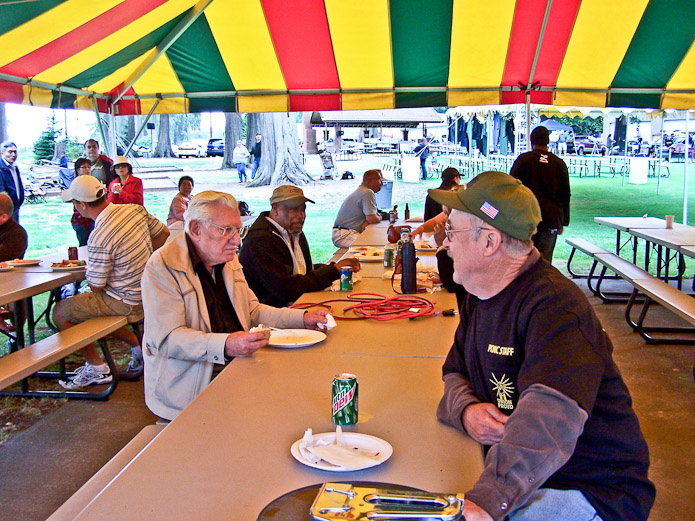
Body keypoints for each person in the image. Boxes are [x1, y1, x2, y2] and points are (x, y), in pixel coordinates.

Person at [429, 171, 654, 521]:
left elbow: (548, 420)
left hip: (586, 488)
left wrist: (488, 499)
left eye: (452, 230)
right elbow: (455, 373)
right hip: (524, 475)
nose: (444, 243)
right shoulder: (481, 293)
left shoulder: (556, 307)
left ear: (489, 242)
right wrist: (466, 410)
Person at [141, 191, 328, 421]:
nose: (237, 241)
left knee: (304, 394)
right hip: (190, 391)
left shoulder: (226, 259)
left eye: (238, 230)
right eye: (226, 230)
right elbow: (169, 340)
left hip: (237, 368)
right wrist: (227, 345)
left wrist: (302, 318)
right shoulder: (162, 267)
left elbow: (253, 311)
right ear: (196, 229)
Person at [54, 176, 169, 388]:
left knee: (61, 311)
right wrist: (145, 262)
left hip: (126, 301)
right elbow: (164, 233)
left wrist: (92, 270)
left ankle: (96, 368)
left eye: (74, 203)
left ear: (82, 204)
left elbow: (97, 286)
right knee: (92, 308)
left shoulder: (99, 235)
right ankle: (137, 348)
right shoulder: (134, 210)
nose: (74, 207)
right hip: (148, 292)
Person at [239, 185, 361, 307]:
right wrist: (333, 271)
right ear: (275, 209)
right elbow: (286, 289)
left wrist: (336, 268)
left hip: (297, 304)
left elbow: (303, 272)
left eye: (303, 209)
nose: (301, 215)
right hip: (273, 312)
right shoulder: (260, 240)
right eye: (294, 210)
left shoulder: (294, 231)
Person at [509, 126, 570, 262]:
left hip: (527, 217)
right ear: (547, 141)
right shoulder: (558, 163)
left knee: (523, 259)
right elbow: (565, 194)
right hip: (551, 218)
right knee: (544, 261)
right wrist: (564, 221)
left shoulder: (523, 160)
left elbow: (512, 188)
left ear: (532, 141)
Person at [332, 169, 383, 247]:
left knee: (376, 242)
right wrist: (379, 217)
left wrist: (368, 220)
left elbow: (370, 217)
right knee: (370, 248)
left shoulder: (363, 191)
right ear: (370, 181)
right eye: (379, 179)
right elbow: (372, 219)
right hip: (344, 234)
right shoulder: (367, 192)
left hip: (347, 232)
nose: (381, 183)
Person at [0, 193, 27, 335]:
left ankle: (17, 335)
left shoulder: (17, 234)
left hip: (10, 282)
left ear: (4, 217)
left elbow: (5, 259)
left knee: (17, 298)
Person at [70, 158, 95, 246]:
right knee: (84, 246)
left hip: (90, 219)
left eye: (89, 167)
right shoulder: (76, 183)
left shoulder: (92, 181)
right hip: (81, 220)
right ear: (78, 170)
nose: (87, 169)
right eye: (84, 167)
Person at [0, 141, 24, 222]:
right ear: (2, 153)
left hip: (15, 209)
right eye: (10, 152)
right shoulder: (1, 169)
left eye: (15, 152)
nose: (13, 155)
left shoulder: (14, 167)